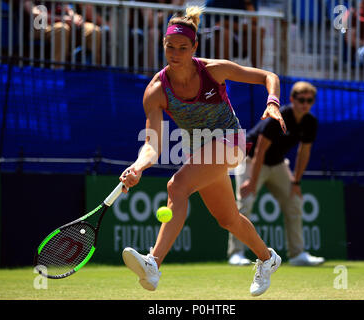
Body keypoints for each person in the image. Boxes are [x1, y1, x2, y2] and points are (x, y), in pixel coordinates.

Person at [119, 6, 287, 297]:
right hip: (200, 151)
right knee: (228, 219)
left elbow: (268, 76)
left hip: (230, 141)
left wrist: (272, 101)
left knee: (177, 185)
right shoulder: (157, 90)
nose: (175, 53)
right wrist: (138, 166)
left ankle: (153, 264)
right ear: (164, 46)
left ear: (194, 47)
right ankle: (267, 258)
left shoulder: (213, 70)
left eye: (183, 48)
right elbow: (152, 144)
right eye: (170, 47)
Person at [227, 81, 325, 267]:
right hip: (250, 160)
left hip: (277, 163)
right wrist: (252, 183)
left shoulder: (310, 122)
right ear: (292, 99)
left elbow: (304, 152)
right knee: (246, 202)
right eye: (301, 99)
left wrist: (296, 182)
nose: (305, 104)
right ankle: (236, 253)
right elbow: (260, 151)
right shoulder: (278, 117)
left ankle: (297, 254)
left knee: (294, 201)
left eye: (309, 100)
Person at [24, 1, 102, 67]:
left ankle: (95, 70)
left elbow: (68, 8)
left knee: (93, 30)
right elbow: (35, 13)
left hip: (68, 26)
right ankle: (57, 72)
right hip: (43, 28)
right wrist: (62, 19)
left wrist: (74, 17)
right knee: (61, 29)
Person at [204, 0, 266, 68]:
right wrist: (251, 28)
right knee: (224, 33)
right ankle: (223, 72)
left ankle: (258, 74)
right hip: (206, 35)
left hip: (233, 36)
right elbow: (219, 24)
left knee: (255, 34)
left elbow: (254, 21)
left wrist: (248, 3)